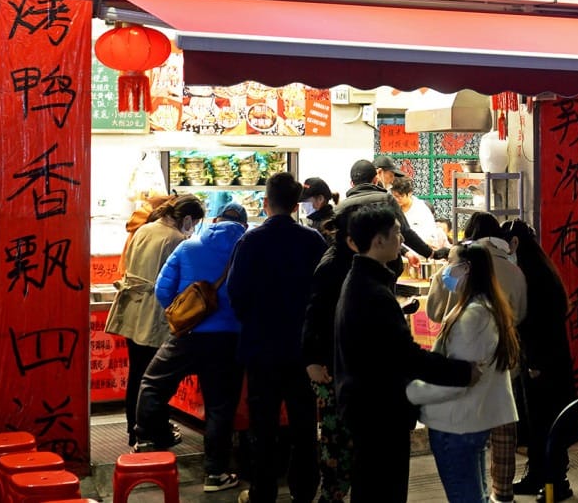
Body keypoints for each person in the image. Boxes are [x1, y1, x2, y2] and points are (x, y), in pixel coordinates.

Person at [335, 203, 477, 503]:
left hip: (365, 404)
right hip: (379, 410)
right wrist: (462, 372)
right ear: (379, 241)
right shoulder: (372, 292)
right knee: (383, 488)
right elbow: (406, 357)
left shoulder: (361, 281)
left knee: (371, 485)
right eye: (398, 234)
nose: (402, 240)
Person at [226, 172, 328, 503]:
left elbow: (236, 293)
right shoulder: (314, 241)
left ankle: (263, 492)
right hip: (302, 350)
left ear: (267, 202)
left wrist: (255, 322)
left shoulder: (251, 241)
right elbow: (323, 294)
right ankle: (304, 491)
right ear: (296, 203)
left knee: (263, 427)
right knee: (303, 426)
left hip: (261, 349)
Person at [135, 203, 246, 493]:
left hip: (188, 335)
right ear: (243, 225)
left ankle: (145, 441)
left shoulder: (188, 246)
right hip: (229, 339)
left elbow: (162, 290)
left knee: (153, 382)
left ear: (215, 220)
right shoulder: (248, 251)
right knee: (219, 406)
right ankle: (215, 474)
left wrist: (183, 315)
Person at [301, 182, 398, 503]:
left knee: (352, 446)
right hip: (332, 368)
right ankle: (333, 496)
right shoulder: (334, 264)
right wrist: (313, 360)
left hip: (352, 367)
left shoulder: (362, 261)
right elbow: (314, 314)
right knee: (337, 444)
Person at [427, 212, 526, 503]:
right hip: (503, 365)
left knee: (469, 462)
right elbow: (520, 312)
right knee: (503, 434)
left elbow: (434, 313)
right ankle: (503, 493)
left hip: (464, 389)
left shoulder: (461, 277)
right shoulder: (514, 272)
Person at [105, 194, 200, 447]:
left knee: (137, 372)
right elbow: (177, 283)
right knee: (156, 379)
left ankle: (133, 429)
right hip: (154, 313)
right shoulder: (176, 239)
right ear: (188, 218)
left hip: (132, 310)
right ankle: (153, 431)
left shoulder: (145, 229)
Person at [503, 218, 578, 503]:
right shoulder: (537, 268)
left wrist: (534, 362)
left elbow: (538, 325)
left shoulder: (533, 275)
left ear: (515, 243)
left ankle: (556, 483)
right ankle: (537, 476)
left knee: (548, 421)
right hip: (544, 360)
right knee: (538, 422)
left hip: (543, 363)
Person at [391, 173, 449, 252]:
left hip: (417, 253)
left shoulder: (421, 209)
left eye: (400, 196)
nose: (397, 199)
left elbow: (430, 235)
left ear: (410, 193)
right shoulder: (392, 205)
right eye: (394, 196)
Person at [300, 176, 339, 241]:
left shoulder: (328, 226)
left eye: (306, 201)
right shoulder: (318, 221)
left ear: (320, 199)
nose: (303, 205)